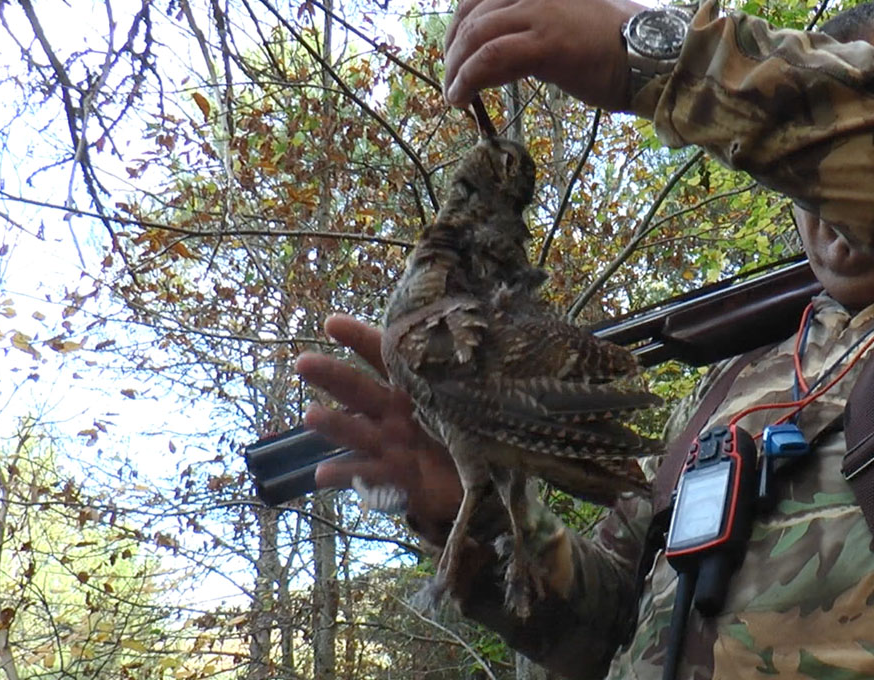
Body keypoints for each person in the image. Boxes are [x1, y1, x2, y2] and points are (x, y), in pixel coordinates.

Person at [296, 1, 874, 678]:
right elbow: (602, 632)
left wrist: (654, 51)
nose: (826, 193)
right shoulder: (725, 399)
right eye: (807, 173)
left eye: (831, 126)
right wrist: (476, 517)